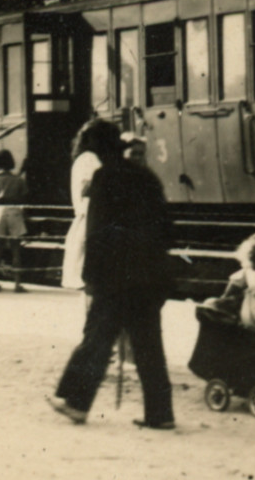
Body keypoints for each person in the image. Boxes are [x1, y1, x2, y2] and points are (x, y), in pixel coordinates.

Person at [48, 119, 177, 429]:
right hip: (149, 275)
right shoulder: (147, 178)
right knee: (148, 345)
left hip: (115, 278)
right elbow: (167, 231)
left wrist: (91, 277)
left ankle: (76, 403)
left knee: (95, 339)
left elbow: (97, 234)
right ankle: (161, 415)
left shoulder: (104, 178)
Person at [62, 121, 105, 293]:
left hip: (86, 210)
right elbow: (90, 186)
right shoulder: (89, 159)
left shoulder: (82, 158)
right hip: (91, 210)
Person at [0, 149, 30, 293]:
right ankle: (17, 284)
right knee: (16, 250)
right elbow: (24, 195)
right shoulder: (18, 180)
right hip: (14, 211)